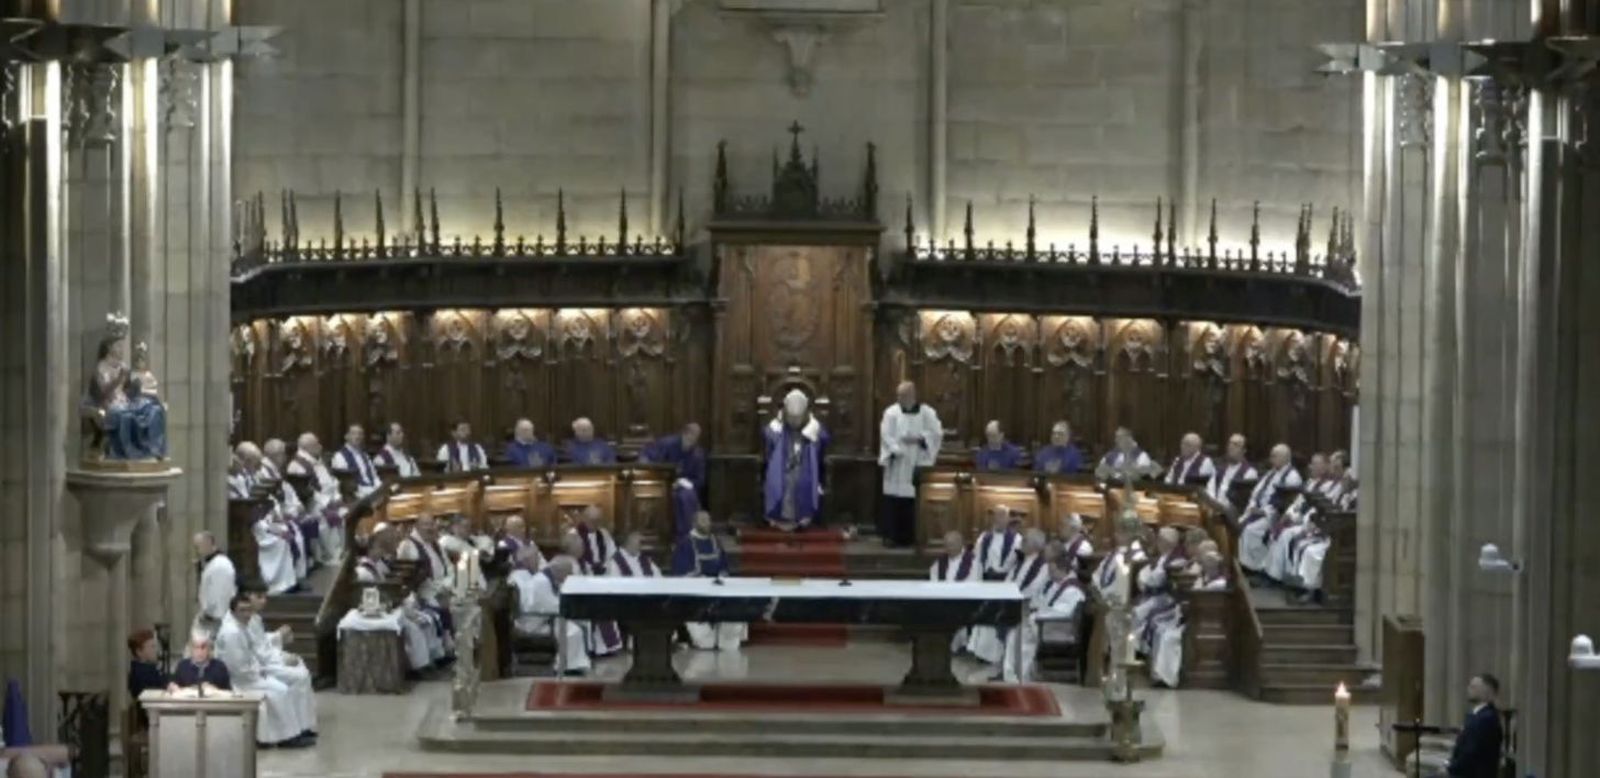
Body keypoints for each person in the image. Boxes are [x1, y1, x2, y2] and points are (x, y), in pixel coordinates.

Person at [213, 594, 312, 747]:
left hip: (252, 673)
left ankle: (292, 732)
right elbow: (238, 668)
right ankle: (287, 738)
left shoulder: (240, 626)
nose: (247, 615)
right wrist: (260, 672)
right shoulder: (232, 633)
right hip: (242, 681)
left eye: (248, 610)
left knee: (283, 686)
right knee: (281, 690)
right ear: (233, 612)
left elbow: (254, 650)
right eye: (242, 611)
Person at [239, 582, 318, 740]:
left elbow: (261, 642)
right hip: (258, 668)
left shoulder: (255, 618)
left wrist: (277, 638)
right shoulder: (243, 619)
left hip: (265, 661)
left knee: (301, 668)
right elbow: (258, 653)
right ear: (247, 596)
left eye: (265, 597)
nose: (264, 601)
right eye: (259, 597)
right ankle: (294, 731)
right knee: (299, 677)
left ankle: (304, 725)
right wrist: (282, 658)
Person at [83, 319, 167, 460]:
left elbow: (129, 392)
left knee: (154, 410)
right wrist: (118, 380)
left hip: (126, 402)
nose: (122, 349)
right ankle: (128, 453)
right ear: (110, 347)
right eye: (119, 346)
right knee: (126, 416)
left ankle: (154, 450)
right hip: (109, 406)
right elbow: (101, 394)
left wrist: (136, 386)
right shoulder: (102, 367)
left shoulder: (124, 367)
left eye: (123, 346)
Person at [970, 528, 1050, 666]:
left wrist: (1013, 597)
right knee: (985, 609)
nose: (1021, 544)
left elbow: (1034, 588)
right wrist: (1002, 593)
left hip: (1024, 604)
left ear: (1035, 545)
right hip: (1010, 600)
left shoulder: (1042, 566)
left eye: (1025, 540)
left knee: (997, 613)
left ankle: (998, 659)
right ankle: (987, 655)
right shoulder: (1020, 562)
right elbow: (1008, 581)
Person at [877, 381, 942, 547]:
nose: (899, 398)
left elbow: (936, 434)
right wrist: (896, 449)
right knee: (894, 499)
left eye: (903, 395)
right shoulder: (891, 412)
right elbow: (885, 435)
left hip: (917, 460)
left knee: (914, 500)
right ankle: (892, 536)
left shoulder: (927, 413)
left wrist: (921, 439)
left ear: (912, 395)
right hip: (897, 463)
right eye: (898, 395)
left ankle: (912, 537)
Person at [671, 511, 745, 651]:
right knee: (706, 644)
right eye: (703, 520)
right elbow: (681, 572)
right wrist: (701, 580)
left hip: (717, 588)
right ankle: (706, 639)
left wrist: (722, 577)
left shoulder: (715, 541)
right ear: (694, 523)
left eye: (708, 520)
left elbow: (723, 565)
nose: (707, 523)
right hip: (695, 590)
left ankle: (727, 640)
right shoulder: (685, 544)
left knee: (735, 602)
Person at [1003, 560, 1087, 682]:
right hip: (1049, 624)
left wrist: (1037, 616)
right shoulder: (1059, 584)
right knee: (1014, 632)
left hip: (1060, 629)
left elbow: (1062, 613)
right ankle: (1014, 674)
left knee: (1020, 637)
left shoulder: (1073, 589)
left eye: (1052, 571)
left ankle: (1021, 676)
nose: (1049, 574)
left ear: (1062, 569)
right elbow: (1049, 605)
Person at [510, 555, 590, 674]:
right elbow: (548, 606)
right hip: (534, 622)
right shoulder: (541, 581)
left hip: (544, 618)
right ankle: (566, 666)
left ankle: (572, 664)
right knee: (572, 631)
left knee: (575, 628)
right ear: (559, 571)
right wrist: (568, 608)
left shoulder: (546, 578)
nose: (567, 578)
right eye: (567, 574)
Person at [764, 389, 830, 531]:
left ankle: (803, 519)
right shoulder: (776, 425)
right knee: (783, 482)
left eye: (798, 418)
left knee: (803, 481)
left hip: (804, 467)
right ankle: (781, 518)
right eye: (792, 418)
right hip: (783, 467)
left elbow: (824, 439)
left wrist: (812, 435)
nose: (795, 422)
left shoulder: (814, 425)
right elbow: (768, 439)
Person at [1265, 452, 1335, 582]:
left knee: (1287, 535)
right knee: (1278, 531)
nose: (1310, 467)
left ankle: (1284, 578)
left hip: (1309, 523)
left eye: (1315, 464)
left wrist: (1296, 519)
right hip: (1299, 519)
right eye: (1311, 464)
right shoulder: (1309, 482)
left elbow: (1316, 508)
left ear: (1325, 466)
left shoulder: (1328, 486)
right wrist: (1288, 514)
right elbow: (1298, 503)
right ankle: (1274, 575)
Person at [1237, 444, 1303, 574]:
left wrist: (1263, 511)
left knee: (1251, 531)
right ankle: (1244, 564)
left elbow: (1287, 502)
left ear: (1285, 458)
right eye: (1272, 456)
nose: (1271, 459)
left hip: (1274, 515)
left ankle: (1256, 568)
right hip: (1258, 511)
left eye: (1274, 456)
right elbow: (1256, 492)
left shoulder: (1292, 476)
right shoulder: (1271, 473)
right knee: (1239, 524)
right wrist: (1253, 506)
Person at [561, 527, 623, 657]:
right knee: (600, 611)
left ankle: (604, 648)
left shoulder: (582, 562)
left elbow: (588, 578)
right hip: (575, 602)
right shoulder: (567, 564)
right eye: (580, 547)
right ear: (572, 549)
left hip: (584, 597)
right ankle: (599, 649)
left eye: (583, 546)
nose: (583, 549)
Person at [640, 422, 707, 538]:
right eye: (690, 436)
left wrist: (685, 483)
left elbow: (700, 480)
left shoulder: (698, 454)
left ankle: (686, 535)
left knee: (685, 496)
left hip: (685, 488)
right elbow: (646, 455)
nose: (692, 440)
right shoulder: (667, 444)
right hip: (662, 484)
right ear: (684, 434)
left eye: (696, 437)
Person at [287, 432, 344, 564]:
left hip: (330, 501)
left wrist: (336, 497)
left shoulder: (318, 460)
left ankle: (339, 552)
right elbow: (306, 491)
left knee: (344, 512)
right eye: (317, 444)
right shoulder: (297, 465)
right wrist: (327, 504)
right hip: (312, 505)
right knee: (326, 518)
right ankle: (328, 556)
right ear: (307, 447)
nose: (320, 446)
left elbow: (332, 481)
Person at [1447, 674, 1503, 778]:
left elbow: (1471, 751)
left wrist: (1450, 768)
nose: (1469, 689)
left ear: (1488, 691)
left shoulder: (1487, 718)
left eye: (1474, 687)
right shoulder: (1476, 715)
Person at [193, 532, 236, 639]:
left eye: (198, 547)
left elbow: (217, 595)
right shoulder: (214, 563)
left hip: (215, 622)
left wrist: (208, 614)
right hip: (213, 620)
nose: (197, 552)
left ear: (207, 544)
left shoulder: (219, 565)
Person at [252, 501, 300, 595]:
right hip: (262, 543)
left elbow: (268, 528)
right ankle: (281, 582)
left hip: (267, 539)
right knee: (283, 543)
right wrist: (279, 537)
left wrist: (280, 534)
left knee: (289, 540)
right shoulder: (256, 522)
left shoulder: (262, 520)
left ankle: (288, 581)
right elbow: (261, 534)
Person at [1205, 433, 1258, 510]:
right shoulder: (1220, 470)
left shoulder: (1250, 473)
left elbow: (1242, 501)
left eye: (1236, 445)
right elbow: (1210, 490)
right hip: (1214, 510)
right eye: (1229, 443)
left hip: (1232, 515)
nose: (1231, 447)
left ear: (1244, 450)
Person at [329, 424, 380, 497]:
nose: (357, 436)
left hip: (373, 490)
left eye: (360, 434)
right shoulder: (339, 456)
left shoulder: (365, 455)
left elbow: (374, 476)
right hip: (356, 494)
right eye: (353, 433)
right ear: (346, 436)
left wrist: (379, 488)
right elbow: (345, 483)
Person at [974, 505, 1021, 581]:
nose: (998, 519)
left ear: (1008, 518)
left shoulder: (1017, 539)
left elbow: (1018, 562)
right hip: (985, 578)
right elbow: (977, 559)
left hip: (1005, 579)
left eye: (1002, 516)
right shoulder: (983, 537)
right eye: (995, 515)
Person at [126, 629, 167, 704]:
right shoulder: (139, 673)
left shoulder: (149, 667)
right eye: (152, 647)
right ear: (139, 652)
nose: (156, 650)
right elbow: (155, 692)